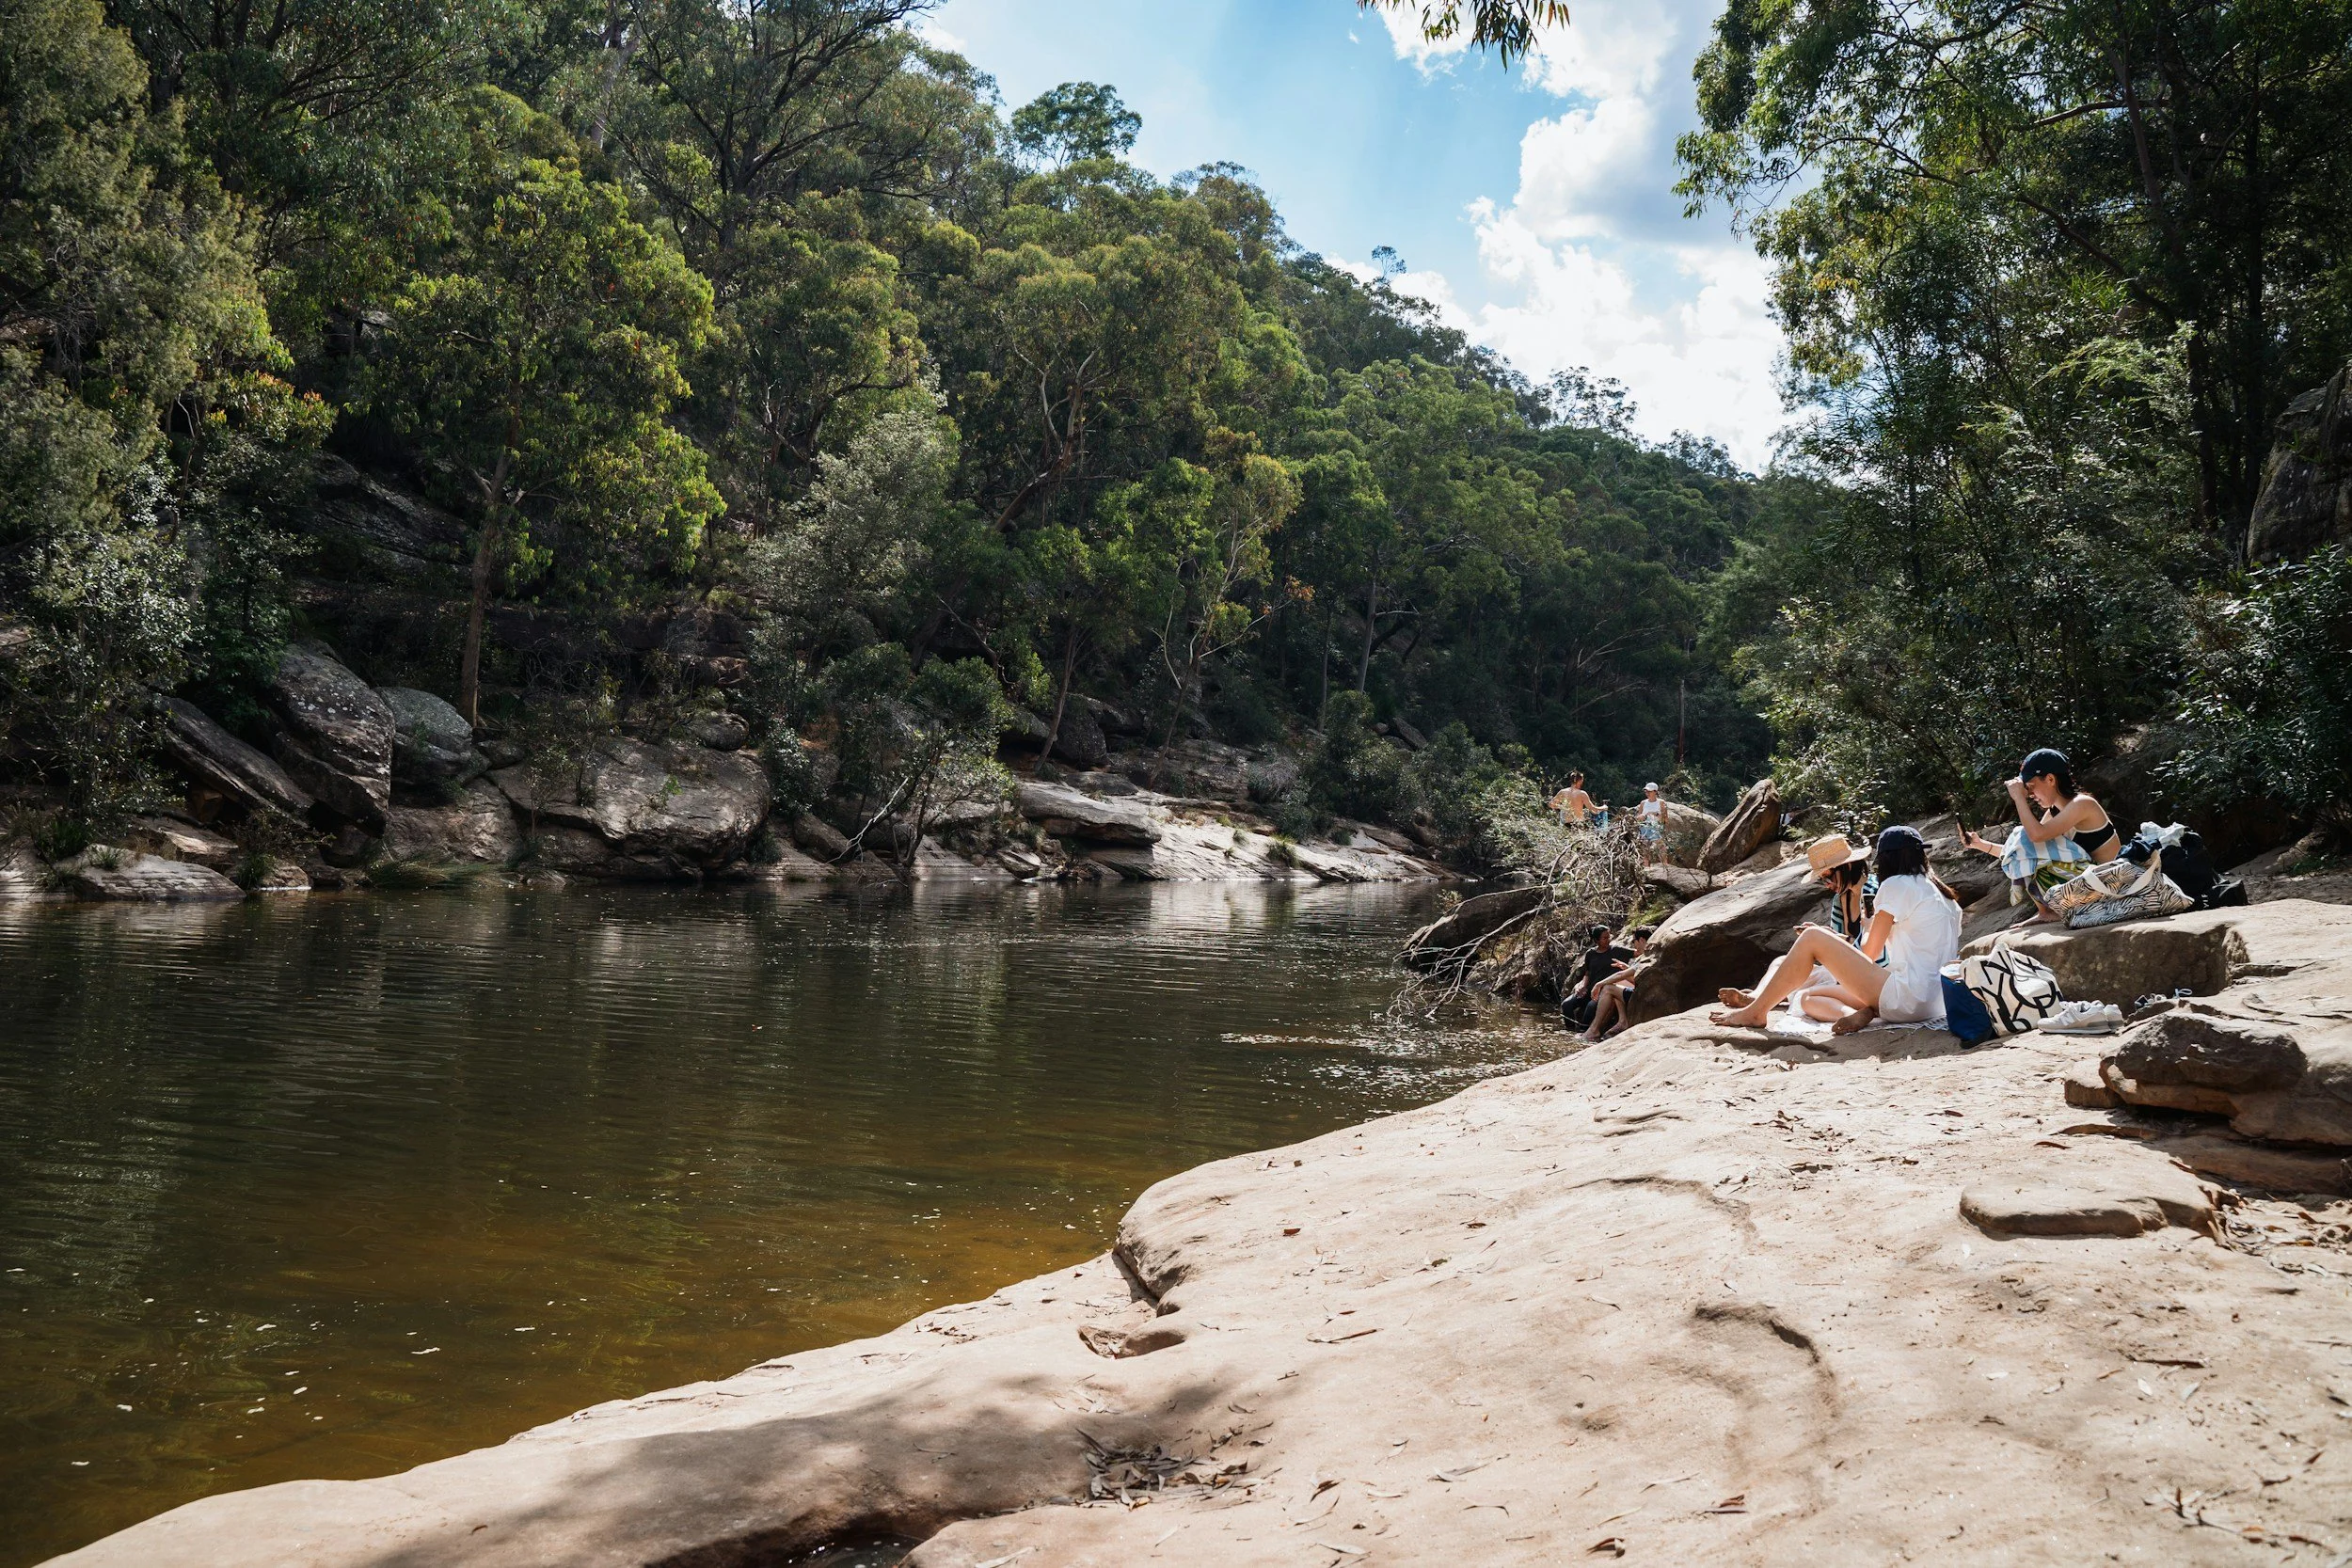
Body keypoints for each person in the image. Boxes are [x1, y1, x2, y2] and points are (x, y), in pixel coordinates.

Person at [1708, 826, 1962, 1035]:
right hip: (1937, 1002)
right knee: (1807, 998)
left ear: (1886, 860)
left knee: (1811, 937)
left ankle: (1756, 1012)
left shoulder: (1896, 884)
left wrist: (1867, 924)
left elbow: (1869, 954)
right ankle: (1854, 1015)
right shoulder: (1946, 896)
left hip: (1906, 997)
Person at [1740, 834, 1886, 1023]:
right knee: (1781, 963)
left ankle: (1854, 1013)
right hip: (1845, 973)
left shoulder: (1873, 894)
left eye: (1828, 877)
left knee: (1804, 996)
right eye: (1823, 880)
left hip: (1873, 973)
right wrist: (1828, 936)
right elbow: (1844, 943)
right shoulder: (1839, 899)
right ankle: (1755, 997)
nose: (1827, 885)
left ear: (1847, 866)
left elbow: (1878, 951)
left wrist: (1829, 941)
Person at [1959, 748, 2119, 919]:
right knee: (2027, 844)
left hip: (2110, 886)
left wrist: (2019, 799)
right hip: (2088, 886)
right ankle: (2046, 912)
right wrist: (1979, 844)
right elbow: (2024, 851)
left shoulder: (2083, 804)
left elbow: (2034, 836)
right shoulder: (2054, 812)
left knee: (2023, 834)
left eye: (2031, 787)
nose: (2029, 794)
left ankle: (2048, 912)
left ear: (2050, 779)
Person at [1582, 925, 1654, 1040]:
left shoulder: (1646, 956)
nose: (1633, 944)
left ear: (1641, 940)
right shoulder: (1591, 953)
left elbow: (1622, 975)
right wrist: (1625, 967)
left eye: (1634, 941)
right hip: (1646, 990)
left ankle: (1593, 1030)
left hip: (1645, 995)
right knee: (1619, 983)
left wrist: (1599, 984)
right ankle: (1622, 1021)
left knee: (1608, 988)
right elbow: (1636, 977)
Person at [1560, 924, 1632, 1033]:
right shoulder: (1591, 953)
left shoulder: (1616, 950)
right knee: (1566, 1004)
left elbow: (1637, 953)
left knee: (1590, 1007)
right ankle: (1570, 1030)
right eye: (1605, 938)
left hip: (1604, 992)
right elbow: (1588, 973)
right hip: (1590, 989)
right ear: (1596, 940)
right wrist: (1582, 986)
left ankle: (1584, 1032)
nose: (1608, 940)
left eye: (1609, 937)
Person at [1636, 782, 1666, 861]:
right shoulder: (1643, 803)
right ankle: (1647, 868)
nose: (1647, 793)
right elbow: (1638, 817)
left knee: (1661, 847)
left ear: (1655, 791)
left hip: (1656, 827)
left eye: (1649, 791)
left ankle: (1666, 867)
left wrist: (1654, 814)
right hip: (1644, 828)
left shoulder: (1661, 802)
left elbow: (1665, 818)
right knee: (1645, 848)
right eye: (1646, 791)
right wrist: (1641, 817)